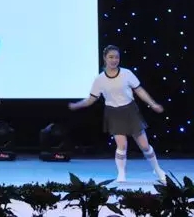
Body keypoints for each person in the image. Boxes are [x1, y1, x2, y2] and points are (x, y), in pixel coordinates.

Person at [69, 44, 167, 183]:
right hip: (113, 113)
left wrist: (153, 104)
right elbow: (91, 99)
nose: (114, 60)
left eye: (116, 57)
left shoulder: (127, 73)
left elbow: (139, 90)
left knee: (144, 146)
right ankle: (121, 173)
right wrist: (77, 105)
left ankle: (157, 169)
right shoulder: (100, 79)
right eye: (111, 57)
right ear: (105, 58)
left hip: (130, 111)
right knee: (122, 145)